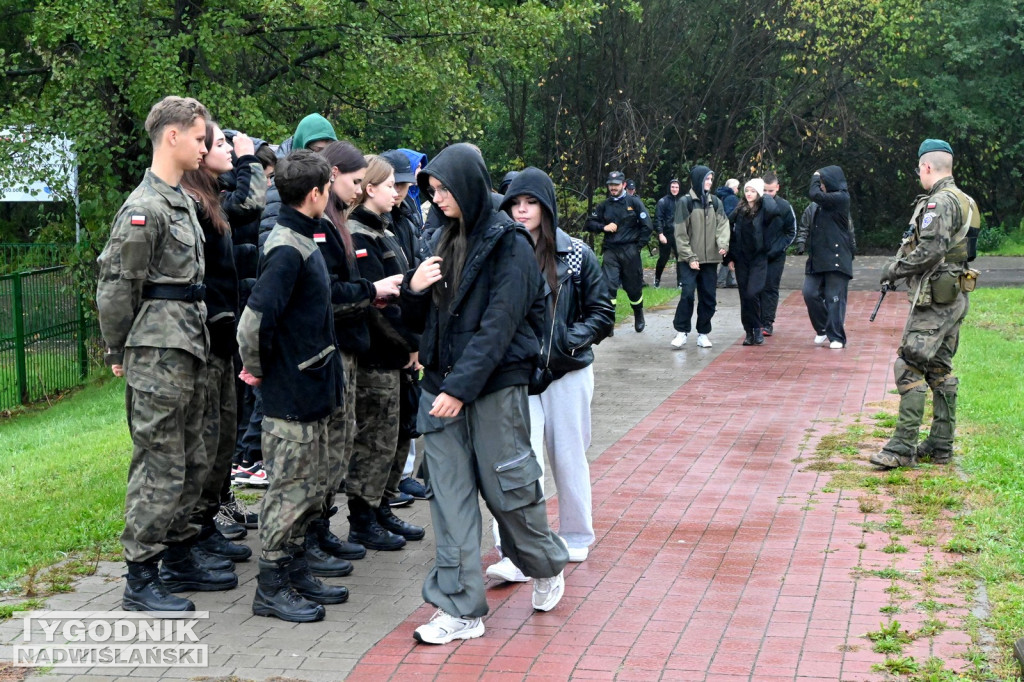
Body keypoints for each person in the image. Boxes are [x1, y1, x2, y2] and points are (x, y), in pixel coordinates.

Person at [401, 143, 568, 645]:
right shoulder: (436, 237)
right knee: (450, 504)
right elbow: (419, 326)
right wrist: (413, 289)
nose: (437, 196)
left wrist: (459, 387)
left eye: (444, 188)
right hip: (440, 392)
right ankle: (460, 610)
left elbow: (500, 326)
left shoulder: (510, 244)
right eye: (431, 189)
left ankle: (545, 565)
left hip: (492, 389)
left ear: (469, 186)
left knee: (509, 494)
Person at [96, 95, 237, 614]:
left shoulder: (178, 200)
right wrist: (119, 347)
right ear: (172, 136)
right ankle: (141, 577)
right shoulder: (144, 208)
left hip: (189, 345)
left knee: (192, 457)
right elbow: (117, 287)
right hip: (158, 352)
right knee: (159, 462)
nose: (206, 146)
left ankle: (178, 555)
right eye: (200, 138)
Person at [237, 150, 349, 623]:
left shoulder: (303, 236)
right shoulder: (287, 247)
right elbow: (253, 323)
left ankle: (296, 569)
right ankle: (271, 586)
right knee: (290, 491)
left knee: (310, 487)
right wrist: (259, 372)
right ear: (317, 193)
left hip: (312, 387)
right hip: (291, 394)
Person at [487, 167, 614, 580]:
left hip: (568, 371)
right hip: (517, 374)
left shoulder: (577, 253)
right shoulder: (499, 250)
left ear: (546, 206)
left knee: (569, 455)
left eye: (530, 203)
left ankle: (577, 535)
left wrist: (564, 344)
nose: (522, 211)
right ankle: (516, 549)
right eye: (515, 204)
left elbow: (602, 313)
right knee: (518, 462)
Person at [312, 141, 405, 569]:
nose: (397, 193)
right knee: (353, 442)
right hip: (353, 351)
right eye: (359, 182)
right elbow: (337, 294)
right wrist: (374, 294)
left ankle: (364, 514)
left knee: (364, 437)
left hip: (362, 350)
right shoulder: (334, 228)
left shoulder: (352, 226)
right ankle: (334, 527)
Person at [180, 122, 265, 566]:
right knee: (205, 439)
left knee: (223, 436)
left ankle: (208, 522)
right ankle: (190, 537)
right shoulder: (191, 203)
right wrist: (249, 160)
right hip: (205, 336)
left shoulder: (211, 199)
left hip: (224, 335)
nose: (229, 152)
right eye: (218, 146)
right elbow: (250, 204)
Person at [869, 139, 978, 469]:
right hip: (956, 294)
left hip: (935, 299)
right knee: (939, 368)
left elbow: (931, 250)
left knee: (910, 365)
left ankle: (902, 447)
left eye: (920, 169)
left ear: (926, 167)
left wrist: (894, 269)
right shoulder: (967, 200)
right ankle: (941, 444)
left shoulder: (939, 203)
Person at [343, 155, 425, 550]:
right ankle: (363, 515)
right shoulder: (358, 233)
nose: (398, 193)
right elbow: (377, 306)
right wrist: (408, 344)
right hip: (378, 354)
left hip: (398, 353)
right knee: (375, 437)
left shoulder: (386, 230)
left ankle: (382, 506)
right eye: (391, 185)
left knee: (397, 434)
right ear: (370, 188)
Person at [584, 170, 653, 333]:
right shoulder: (604, 206)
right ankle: (609, 322)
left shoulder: (634, 203)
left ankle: (638, 314)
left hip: (630, 250)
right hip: (611, 251)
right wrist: (603, 227)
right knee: (608, 286)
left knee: (633, 287)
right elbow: (589, 224)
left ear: (623, 185)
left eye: (616, 185)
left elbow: (647, 226)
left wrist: (638, 246)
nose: (613, 188)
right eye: (610, 185)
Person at [671, 165, 730, 348]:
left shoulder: (716, 202)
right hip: (689, 259)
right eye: (706, 179)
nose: (709, 183)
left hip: (710, 260)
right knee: (687, 294)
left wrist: (723, 244)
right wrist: (690, 257)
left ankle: (703, 333)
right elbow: (680, 233)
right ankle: (682, 332)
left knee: (709, 298)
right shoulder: (685, 202)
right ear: (697, 180)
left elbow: (723, 225)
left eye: (711, 179)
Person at [795, 166, 853, 349]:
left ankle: (836, 336)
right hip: (817, 257)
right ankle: (823, 328)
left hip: (837, 257)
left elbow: (814, 194)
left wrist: (815, 175)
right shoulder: (818, 206)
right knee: (809, 293)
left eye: (823, 183)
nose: (820, 187)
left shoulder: (841, 198)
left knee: (833, 297)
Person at [726, 179, 781, 346]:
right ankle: (750, 331)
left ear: (759, 194)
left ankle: (757, 327)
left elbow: (774, 212)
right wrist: (729, 258)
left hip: (758, 258)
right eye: (747, 190)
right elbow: (731, 234)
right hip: (742, 258)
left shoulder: (765, 209)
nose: (749, 193)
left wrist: (765, 196)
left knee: (752, 293)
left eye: (753, 191)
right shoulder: (739, 211)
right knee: (745, 297)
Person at [760, 172, 797, 336]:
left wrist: (778, 248)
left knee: (770, 287)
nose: (767, 194)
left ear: (777, 188)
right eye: (765, 191)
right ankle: (756, 321)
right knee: (755, 288)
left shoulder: (784, 206)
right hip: (756, 255)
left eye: (771, 191)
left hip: (775, 256)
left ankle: (767, 322)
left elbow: (791, 231)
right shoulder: (754, 204)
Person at [654, 179, 682, 288]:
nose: (674, 189)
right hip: (666, 233)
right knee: (663, 258)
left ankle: (680, 282)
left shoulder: (682, 201)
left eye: (676, 187)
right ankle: (657, 279)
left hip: (679, 234)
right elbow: (658, 219)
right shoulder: (663, 201)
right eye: (673, 187)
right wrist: (660, 233)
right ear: (669, 188)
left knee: (680, 258)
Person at [715, 179, 739, 288]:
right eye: (737, 187)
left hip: (720, 227)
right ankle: (721, 280)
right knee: (728, 254)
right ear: (733, 188)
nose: (738, 190)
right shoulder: (732, 198)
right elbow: (732, 214)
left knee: (727, 253)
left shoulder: (721, 196)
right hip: (729, 229)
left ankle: (730, 280)